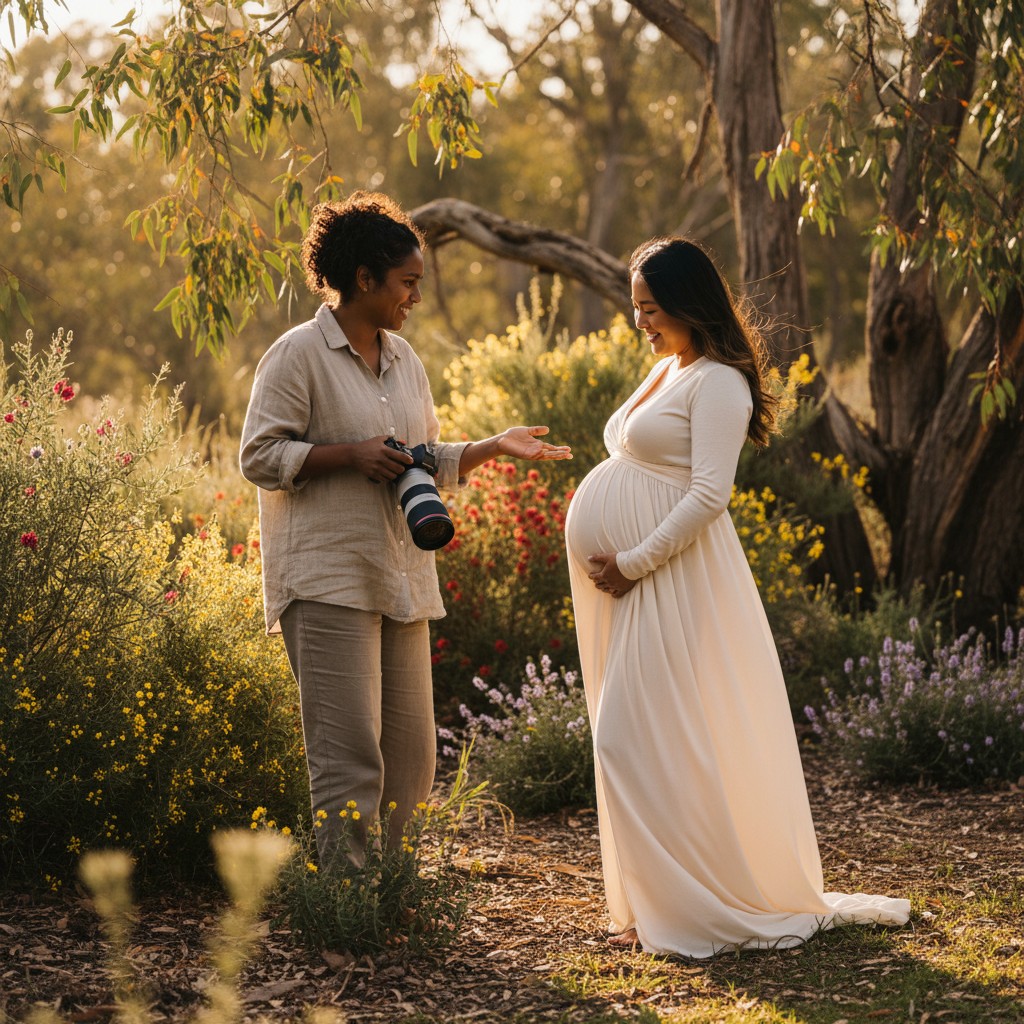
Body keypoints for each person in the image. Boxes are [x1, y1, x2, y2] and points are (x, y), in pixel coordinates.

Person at [564, 236, 909, 957]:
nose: (641, 323)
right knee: (657, 739)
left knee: (628, 737)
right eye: (635, 308)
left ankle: (696, 909)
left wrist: (633, 560)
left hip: (673, 580)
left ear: (690, 302)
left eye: (651, 308)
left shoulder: (719, 381)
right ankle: (661, 904)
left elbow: (708, 497)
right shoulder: (669, 368)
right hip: (640, 585)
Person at [240, 191, 571, 864]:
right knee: (348, 761)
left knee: (413, 759)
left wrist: (492, 446)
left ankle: (395, 896)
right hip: (327, 578)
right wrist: (348, 455)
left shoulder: (404, 360)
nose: (414, 297)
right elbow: (260, 456)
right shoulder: (296, 354)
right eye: (408, 283)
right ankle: (349, 909)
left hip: (401, 577)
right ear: (365, 279)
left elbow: (420, 456)